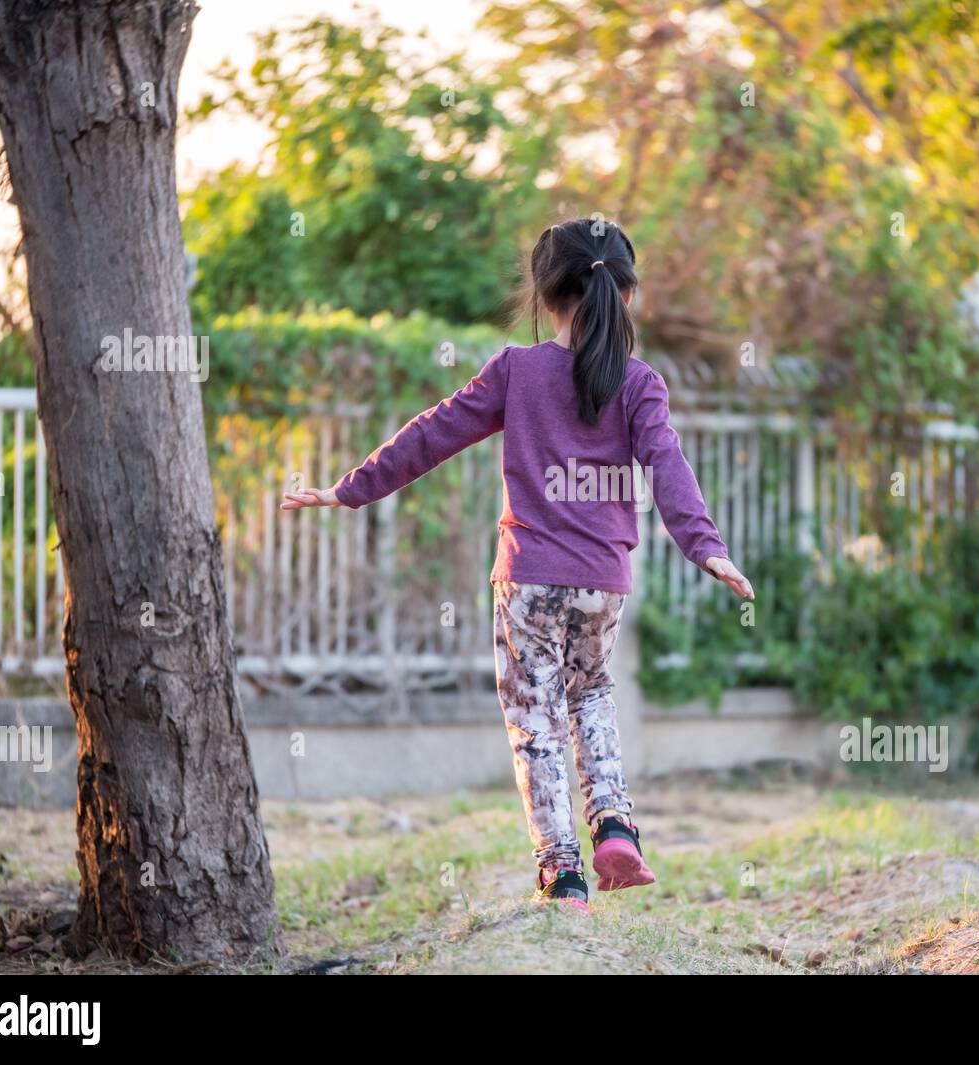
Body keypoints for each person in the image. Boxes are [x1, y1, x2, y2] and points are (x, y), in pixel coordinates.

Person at [283, 218, 753, 911]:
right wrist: (705, 546)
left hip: (528, 578)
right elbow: (668, 465)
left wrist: (350, 489)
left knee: (534, 719)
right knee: (590, 692)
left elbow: (433, 433)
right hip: (601, 583)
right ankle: (615, 823)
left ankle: (563, 874)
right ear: (624, 294)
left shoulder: (517, 369)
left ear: (546, 294)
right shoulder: (641, 382)